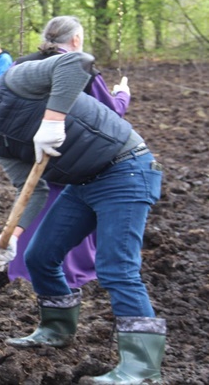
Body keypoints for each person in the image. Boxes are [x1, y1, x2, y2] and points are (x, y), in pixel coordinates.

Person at [0, 52, 165, 384]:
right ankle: (56, 329)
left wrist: (53, 120)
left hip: (124, 168)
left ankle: (142, 369)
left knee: (117, 267)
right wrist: (9, 237)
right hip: (82, 183)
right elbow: (31, 189)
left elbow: (77, 63)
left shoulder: (15, 83)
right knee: (39, 256)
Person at [8, 15, 132, 288]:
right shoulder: (80, 66)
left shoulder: (20, 65)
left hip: (29, 150)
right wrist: (123, 94)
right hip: (75, 154)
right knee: (73, 209)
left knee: (36, 204)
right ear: (76, 39)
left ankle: (22, 267)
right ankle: (71, 269)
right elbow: (109, 114)